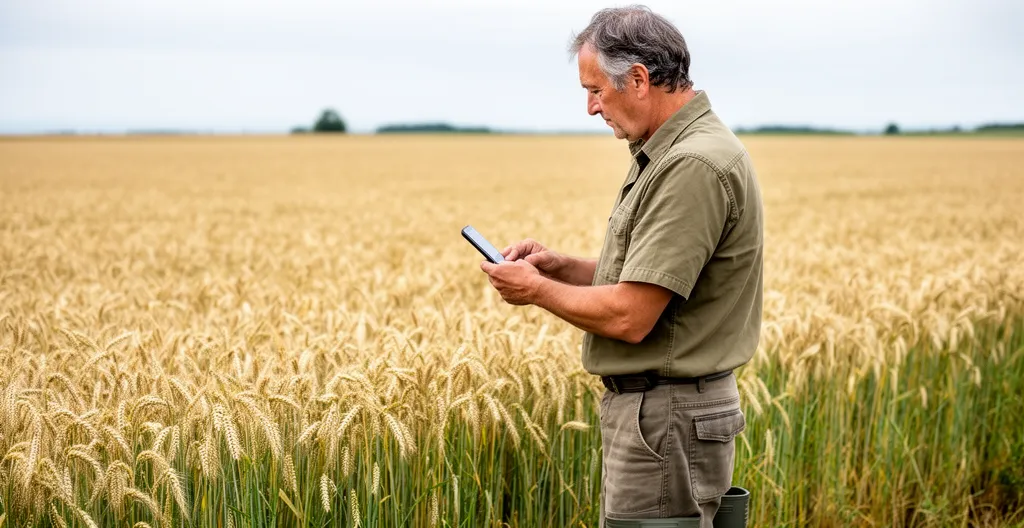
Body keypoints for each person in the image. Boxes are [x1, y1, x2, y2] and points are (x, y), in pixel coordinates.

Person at [479, 5, 763, 527]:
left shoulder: (691, 165)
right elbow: (658, 284)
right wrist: (558, 268)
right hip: (667, 419)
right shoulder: (675, 151)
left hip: (667, 421)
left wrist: (535, 292)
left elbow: (631, 316)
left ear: (637, 79)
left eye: (595, 90)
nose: (590, 108)